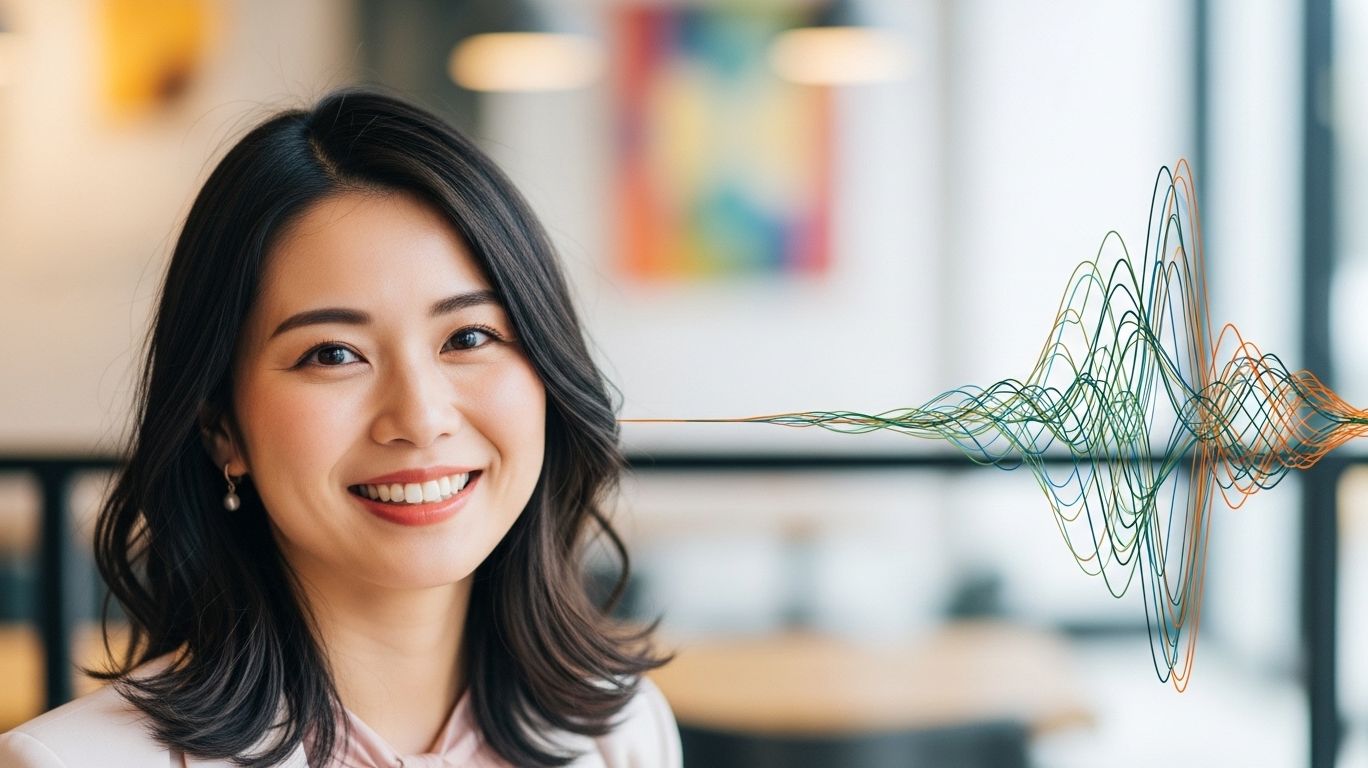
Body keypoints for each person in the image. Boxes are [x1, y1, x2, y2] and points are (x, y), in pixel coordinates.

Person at [0, 87, 680, 767]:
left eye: (469, 336)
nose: (419, 418)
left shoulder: (622, 730)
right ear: (220, 427)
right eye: (333, 354)